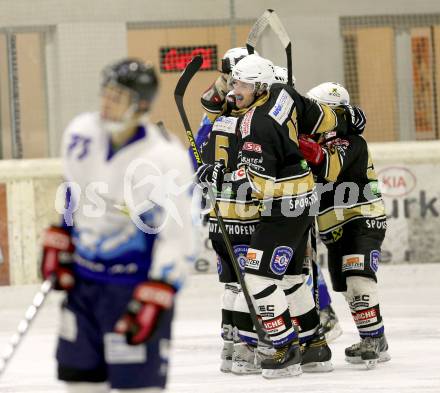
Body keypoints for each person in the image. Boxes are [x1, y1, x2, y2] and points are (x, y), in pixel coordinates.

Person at [41, 58, 195, 392]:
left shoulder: (165, 158)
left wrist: (160, 290)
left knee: (135, 388)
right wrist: (60, 234)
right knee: (79, 382)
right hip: (83, 287)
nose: (106, 102)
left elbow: (178, 235)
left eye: (118, 96)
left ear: (139, 104)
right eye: (106, 93)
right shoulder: (81, 134)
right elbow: (74, 193)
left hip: (131, 292)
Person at [196, 54, 353, 379]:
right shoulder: (286, 94)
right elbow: (323, 118)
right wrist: (348, 119)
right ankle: (315, 346)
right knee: (294, 279)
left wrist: (219, 177)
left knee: (255, 277)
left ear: (260, 87)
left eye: (241, 84)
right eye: (235, 81)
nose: (234, 90)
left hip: (282, 207)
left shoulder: (257, 125)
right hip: (302, 199)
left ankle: (283, 347)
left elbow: (259, 184)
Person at [298, 81, 391, 368]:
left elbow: (328, 166)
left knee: (358, 277)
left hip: (361, 219)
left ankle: (374, 339)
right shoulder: (320, 139)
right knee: (347, 287)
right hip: (332, 227)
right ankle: (372, 336)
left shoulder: (349, 141)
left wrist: (297, 142)